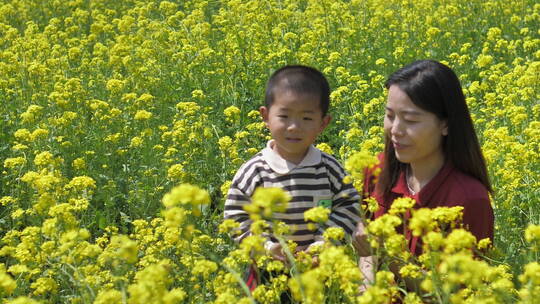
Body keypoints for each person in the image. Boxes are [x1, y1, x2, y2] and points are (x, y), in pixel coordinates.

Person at [224, 65, 363, 290]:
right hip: (267, 271)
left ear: (323, 123)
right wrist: (266, 248)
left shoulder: (329, 168)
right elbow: (236, 218)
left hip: (319, 269)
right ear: (265, 116)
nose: (294, 127)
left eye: (307, 118)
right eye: (284, 116)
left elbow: (348, 205)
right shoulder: (255, 171)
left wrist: (325, 243)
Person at [355, 59, 494, 281]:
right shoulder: (377, 170)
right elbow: (367, 249)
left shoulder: (468, 199)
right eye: (390, 116)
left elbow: (459, 293)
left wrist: (390, 256)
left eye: (410, 120)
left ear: (446, 124)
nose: (395, 130)